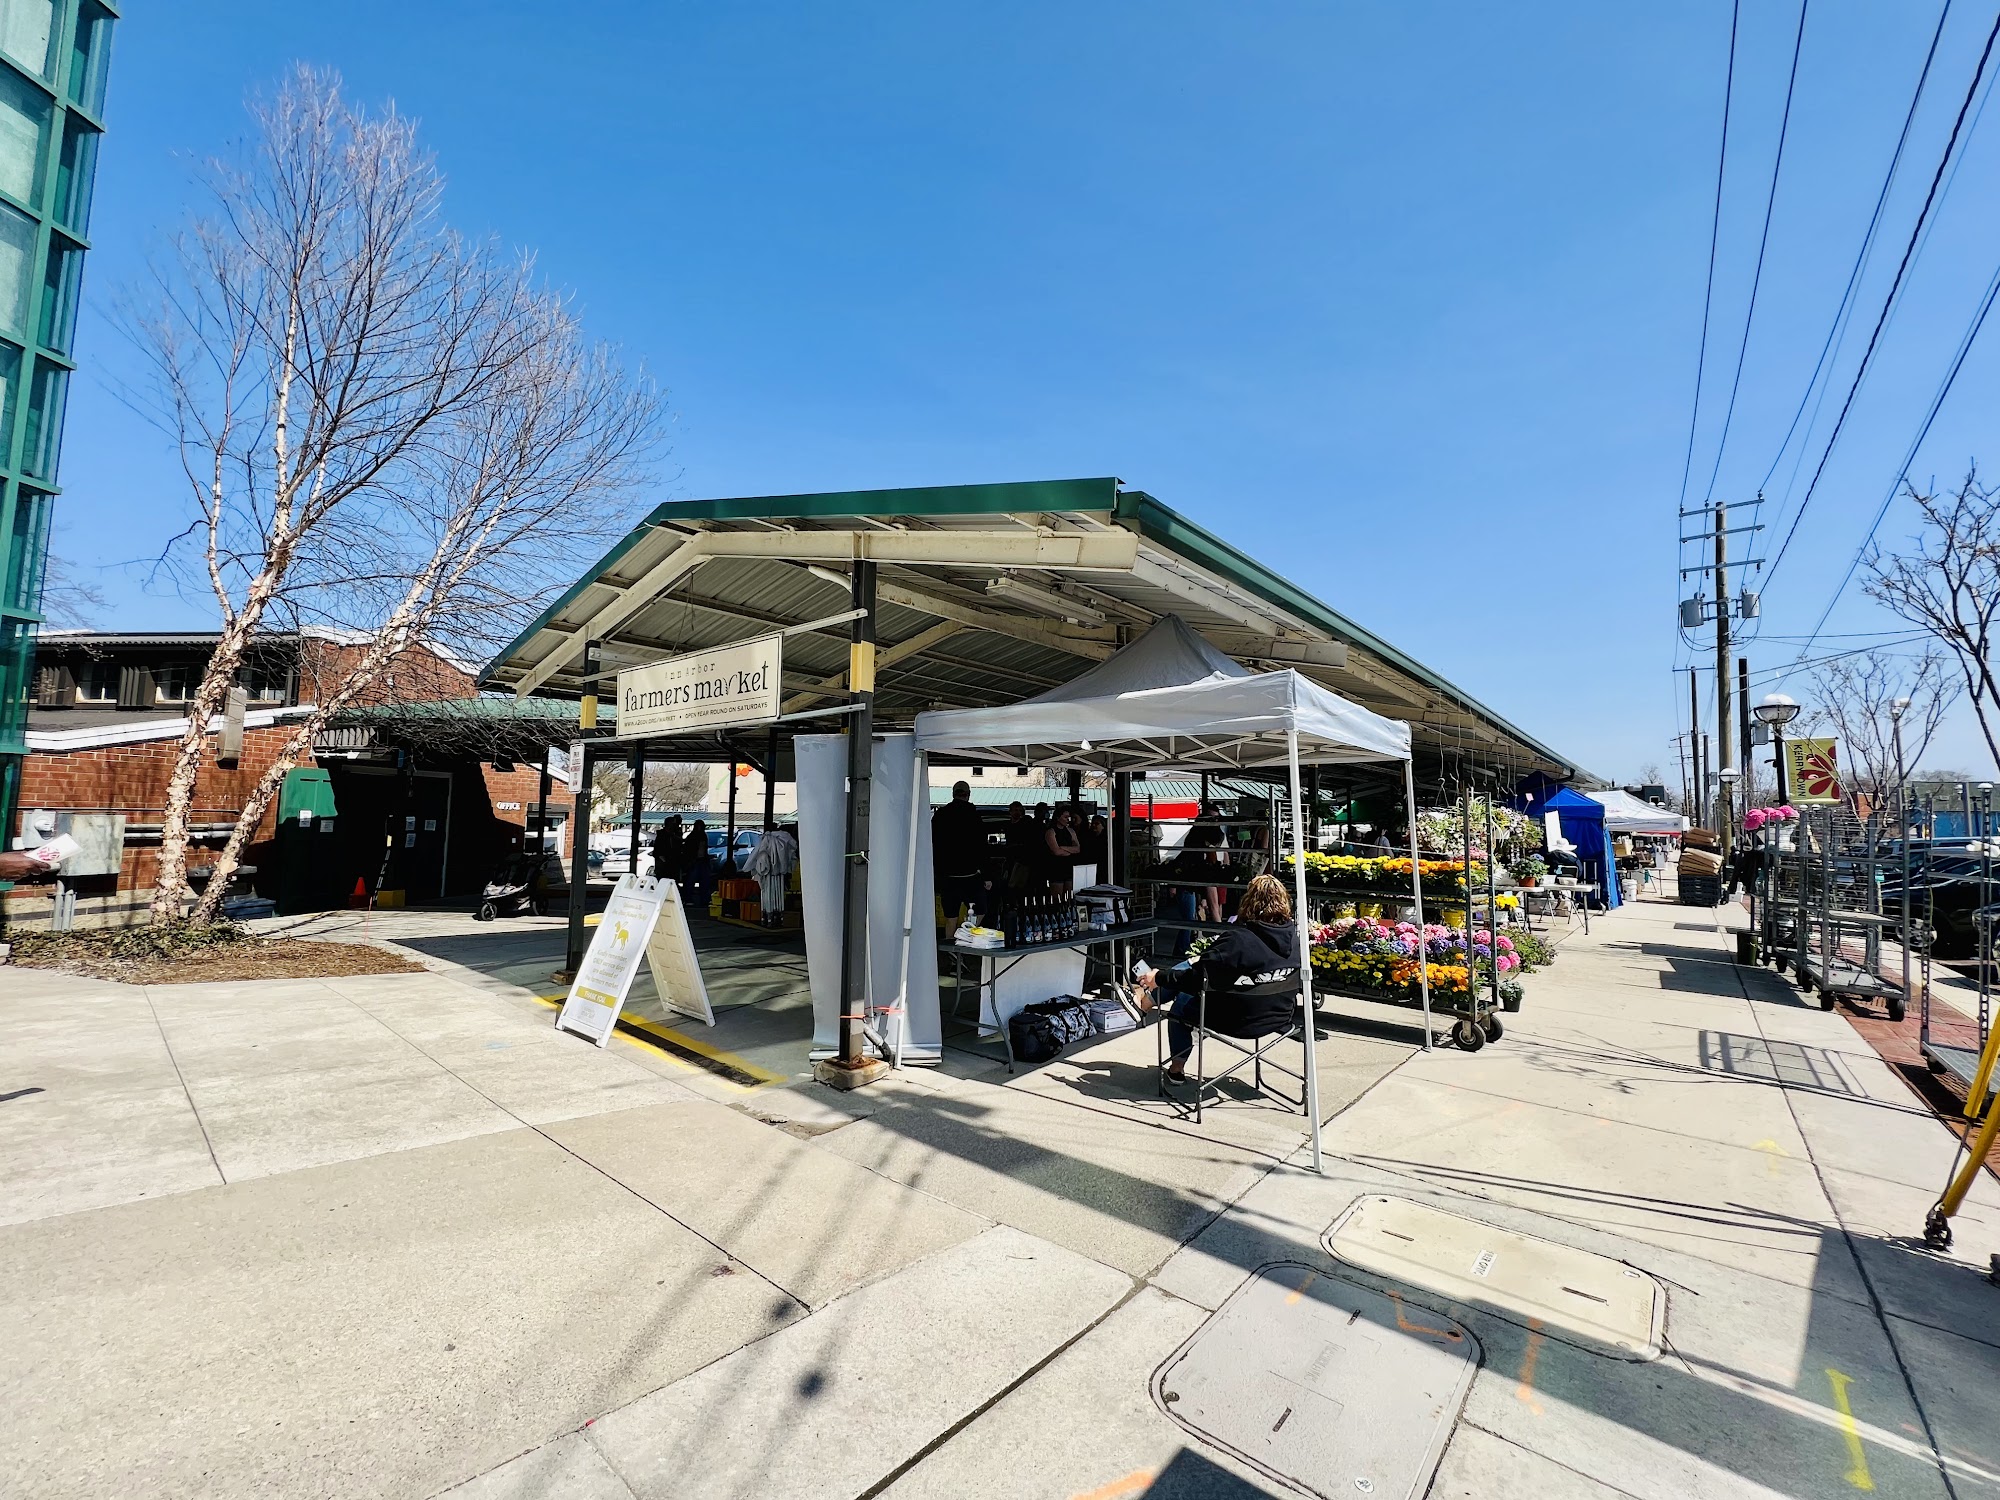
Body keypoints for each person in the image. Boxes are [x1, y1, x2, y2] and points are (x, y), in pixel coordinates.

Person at [1136, 873, 1301, 1082]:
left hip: (1233, 1019)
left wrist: (1159, 977)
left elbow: (1194, 980)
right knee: (1192, 966)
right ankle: (1146, 1002)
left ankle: (1175, 1068)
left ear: (1248, 901)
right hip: (1277, 1017)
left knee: (1183, 1000)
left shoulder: (1238, 940)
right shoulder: (1295, 941)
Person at [932, 781, 988, 926]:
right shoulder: (973, 815)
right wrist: (987, 874)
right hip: (970, 874)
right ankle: (968, 937)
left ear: (953, 794)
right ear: (968, 795)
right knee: (979, 910)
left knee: (951, 915)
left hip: (947, 875)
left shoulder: (940, 815)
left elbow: (932, 842)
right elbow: (982, 846)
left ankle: (950, 944)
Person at [1044, 806, 1082, 898]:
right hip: (1056, 868)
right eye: (1065, 817)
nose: (1068, 820)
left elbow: (1078, 849)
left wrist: (1062, 848)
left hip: (1069, 867)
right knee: (1057, 898)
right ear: (1058, 817)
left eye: (1068, 817)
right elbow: (1056, 851)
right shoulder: (1051, 832)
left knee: (1069, 897)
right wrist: (1070, 851)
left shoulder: (1071, 831)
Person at [1004, 801, 1038, 895]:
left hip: (1023, 860)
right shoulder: (1008, 826)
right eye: (1015, 810)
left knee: (1020, 886)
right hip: (1011, 858)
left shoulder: (1026, 824)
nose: (1017, 812)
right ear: (1010, 812)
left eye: (1019, 810)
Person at [681, 819, 714, 905]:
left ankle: (698, 899)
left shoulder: (696, 836)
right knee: (695, 880)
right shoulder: (697, 836)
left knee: (699, 880)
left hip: (700, 860)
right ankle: (693, 899)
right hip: (696, 860)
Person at [651, 815, 684, 884]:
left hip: (673, 863)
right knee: (663, 882)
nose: (676, 826)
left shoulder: (675, 835)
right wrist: (665, 861)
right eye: (674, 824)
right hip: (664, 864)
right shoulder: (662, 835)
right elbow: (658, 851)